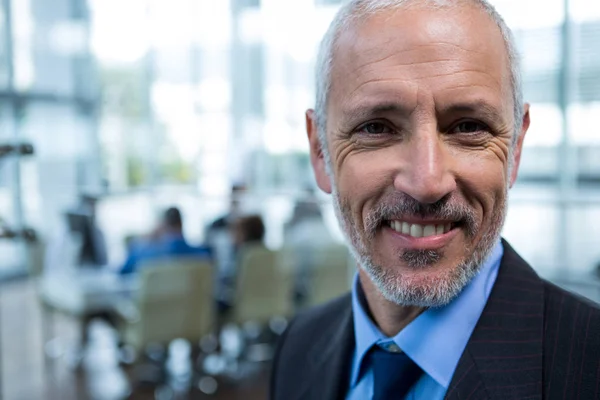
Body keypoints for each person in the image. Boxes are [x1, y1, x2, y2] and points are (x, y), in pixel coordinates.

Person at [270, 1, 600, 399]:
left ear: (515, 149)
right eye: (376, 127)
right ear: (320, 151)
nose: (426, 182)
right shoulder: (298, 346)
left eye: (468, 127)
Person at [119, 207, 211, 275]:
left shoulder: (142, 255)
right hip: (192, 301)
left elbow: (122, 272)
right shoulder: (202, 255)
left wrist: (146, 241)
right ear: (181, 224)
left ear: (162, 225)